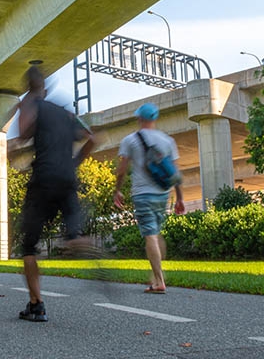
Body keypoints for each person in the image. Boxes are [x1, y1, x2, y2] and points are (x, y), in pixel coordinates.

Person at [16, 65, 96, 322]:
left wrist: (23, 105)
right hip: (68, 179)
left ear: (29, 87)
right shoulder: (66, 113)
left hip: (43, 179)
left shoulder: (33, 106)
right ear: (47, 87)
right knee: (73, 234)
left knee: (28, 245)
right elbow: (92, 138)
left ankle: (36, 304)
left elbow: (23, 133)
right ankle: (78, 241)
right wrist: (73, 164)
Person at [113, 102, 185, 294]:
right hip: (163, 193)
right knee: (156, 232)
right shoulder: (167, 140)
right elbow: (175, 172)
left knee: (150, 235)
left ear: (139, 119)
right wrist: (179, 198)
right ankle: (156, 276)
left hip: (142, 193)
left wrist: (117, 190)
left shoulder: (130, 140)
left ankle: (159, 281)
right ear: (155, 119)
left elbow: (122, 170)